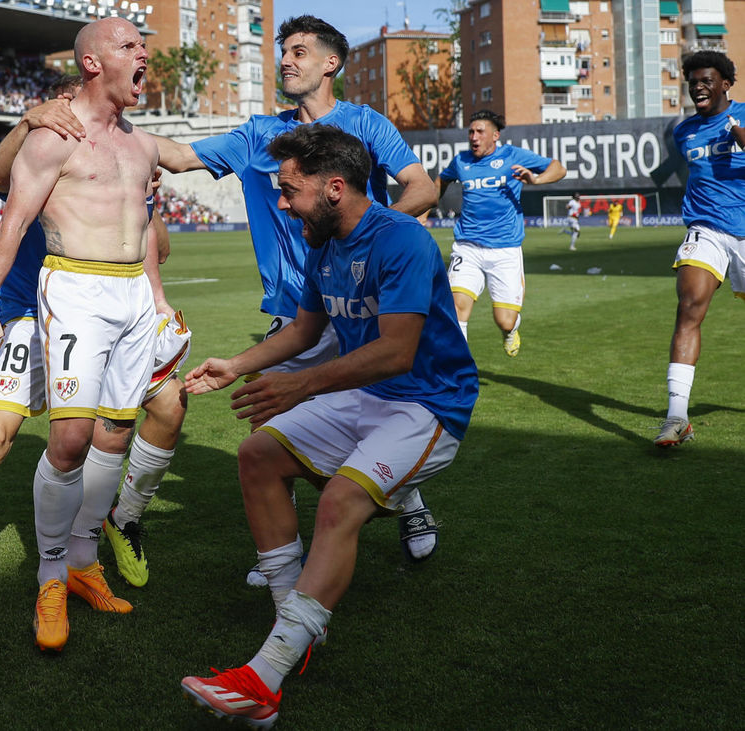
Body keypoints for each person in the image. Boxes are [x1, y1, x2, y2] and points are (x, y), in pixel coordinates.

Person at [179, 124, 478, 728]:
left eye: (289, 191)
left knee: (340, 500)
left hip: (428, 403)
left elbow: (397, 351)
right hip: (367, 393)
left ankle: (264, 680)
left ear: (334, 187)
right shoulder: (324, 243)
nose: (282, 204)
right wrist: (234, 366)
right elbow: (304, 331)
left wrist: (301, 383)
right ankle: (292, 628)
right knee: (258, 455)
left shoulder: (401, 241)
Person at [150, 14, 442, 571]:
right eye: (284, 51)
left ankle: (409, 499)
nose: (286, 59)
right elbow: (180, 156)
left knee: (387, 411)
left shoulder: (367, 124)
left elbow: (423, 187)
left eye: (300, 51)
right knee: (269, 420)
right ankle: (281, 552)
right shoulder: (260, 135)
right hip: (295, 308)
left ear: (331, 63)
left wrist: (365, 236)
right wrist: (97, 122)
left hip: (363, 303)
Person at [0, 78, 190, 636]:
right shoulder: (44, 143)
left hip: (111, 311)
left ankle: (102, 539)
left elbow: (156, 247)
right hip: (28, 313)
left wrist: (144, 192)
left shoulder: (123, 148)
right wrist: (28, 120)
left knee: (159, 410)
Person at [0, 18, 158, 652]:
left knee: (116, 434)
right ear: (91, 62)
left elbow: (179, 172)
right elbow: (11, 216)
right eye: (130, 45)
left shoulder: (138, 142)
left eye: (142, 44)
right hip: (71, 288)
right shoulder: (53, 136)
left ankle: (81, 562)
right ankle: (50, 576)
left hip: (131, 294)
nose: (144, 53)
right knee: (71, 437)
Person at [656, 51, 745, 447]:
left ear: (726, 83)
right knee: (689, 306)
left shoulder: (743, 117)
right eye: (692, 81)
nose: (697, 87)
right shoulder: (685, 131)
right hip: (706, 229)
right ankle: (677, 417)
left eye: (706, 79)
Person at [436, 109, 565, 356]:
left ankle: (511, 331)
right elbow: (441, 180)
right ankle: (460, 371)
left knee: (504, 320)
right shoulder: (461, 161)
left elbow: (558, 168)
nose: (474, 137)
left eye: (480, 132)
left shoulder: (512, 156)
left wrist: (536, 181)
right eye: (471, 132)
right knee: (456, 307)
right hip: (467, 246)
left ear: (495, 136)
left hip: (504, 249)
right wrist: (423, 210)